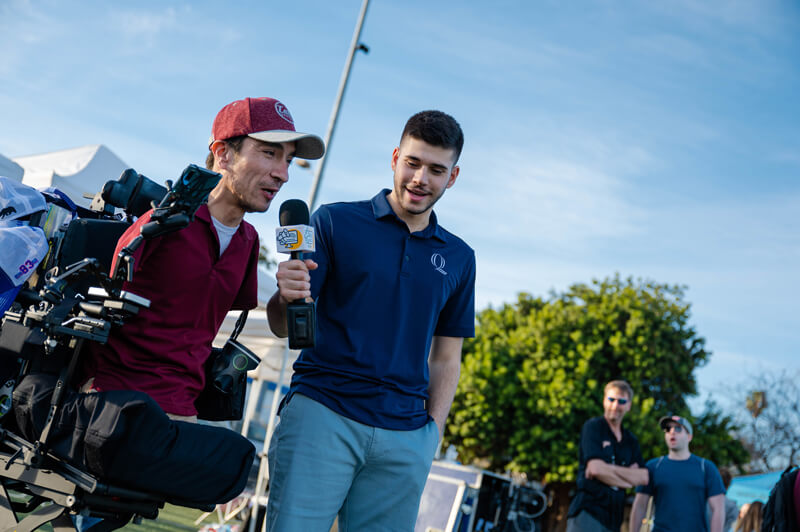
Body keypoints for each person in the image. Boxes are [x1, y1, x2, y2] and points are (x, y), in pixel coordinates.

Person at [265, 110, 475, 531]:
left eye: (436, 169)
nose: (420, 179)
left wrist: (430, 433)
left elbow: (447, 357)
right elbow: (283, 325)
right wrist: (284, 295)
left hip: (406, 435)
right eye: (413, 163)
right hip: (323, 414)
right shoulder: (335, 221)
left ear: (452, 177)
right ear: (396, 158)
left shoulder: (460, 257)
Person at [81, 97, 324, 420]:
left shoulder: (249, 240)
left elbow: (281, 329)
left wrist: (286, 294)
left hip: (184, 412)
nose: (283, 174)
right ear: (223, 154)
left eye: (289, 160)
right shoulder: (162, 221)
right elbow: (90, 312)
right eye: (269, 153)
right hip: (113, 403)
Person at [566, 380, 649, 532]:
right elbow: (596, 469)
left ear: (628, 406)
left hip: (614, 520)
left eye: (621, 401)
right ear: (604, 401)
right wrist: (627, 481)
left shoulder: (630, 440)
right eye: (611, 399)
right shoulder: (593, 428)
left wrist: (607, 470)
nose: (615, 405)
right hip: (587, 514)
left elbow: (643, 477)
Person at [629, 415, 726, 532]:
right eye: (668, 429)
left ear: (689, 436)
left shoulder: (706, 467)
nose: (672, 432)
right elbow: (640, 505)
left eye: (678, 428)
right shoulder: (653, 466)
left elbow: (718, 509)